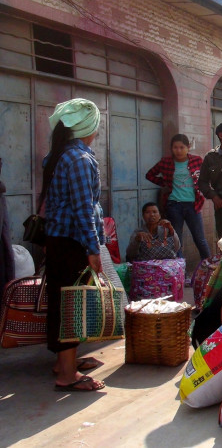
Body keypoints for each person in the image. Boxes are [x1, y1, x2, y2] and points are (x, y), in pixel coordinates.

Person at [43, 99, 106, 392]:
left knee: (63, 301)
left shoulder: (57, 155)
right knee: (71, 305)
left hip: (59, 239)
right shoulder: (80, 160)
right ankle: (67, 374)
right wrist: (93, 249)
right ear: (87, 128)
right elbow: (83, 208)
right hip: (73, 243)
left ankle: (64, 362)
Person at [146, 134, 210, 260]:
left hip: (193, 205)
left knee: (200, 239)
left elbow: (205, 178)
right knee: (176, 241)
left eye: (182, 147)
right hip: (174, 205)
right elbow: (150, 175)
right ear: (171, 148)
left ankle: (209, 269)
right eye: (175, 148)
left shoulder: (197, 161)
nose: (179, 151)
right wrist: (165, 183)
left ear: (188, 147)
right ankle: (180, 271)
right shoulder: (166, 162)